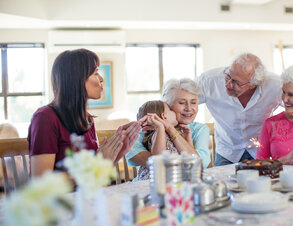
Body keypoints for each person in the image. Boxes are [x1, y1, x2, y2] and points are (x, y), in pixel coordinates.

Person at [28, 49, 141, 177]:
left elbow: (94, 172)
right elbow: (41, 180)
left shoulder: (86, 119)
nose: (101, 79)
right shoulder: (45, 117)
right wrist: (96, 165)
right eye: (96, 73)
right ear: (77, 79)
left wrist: (117, 152)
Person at [195, 53, 282, 166]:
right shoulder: (209, 80)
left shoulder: (274, 84)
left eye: (237, 82)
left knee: (260, 182)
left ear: (253, 84)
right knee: (222, 183)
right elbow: (181, 97)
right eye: (228, 76)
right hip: (227, 151)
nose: (228, 84)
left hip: (259, 151)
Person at [127, 78, 210, 173]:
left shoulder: (199, 129)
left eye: (194, 102)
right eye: (182, 103)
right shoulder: (150, 127)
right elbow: (132, 154)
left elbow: (200, 163)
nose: (189, 108)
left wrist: (170, 129)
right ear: (167, 104)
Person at [135, 100, 182, 180]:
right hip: (154, 180)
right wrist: (160, 127)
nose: (174, 112)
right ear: (164, 117)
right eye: (170, 110)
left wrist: (188, 137)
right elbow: (159, 157)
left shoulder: (174, 133)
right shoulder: (156, 134)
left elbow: (186, 155)